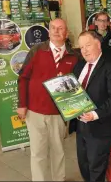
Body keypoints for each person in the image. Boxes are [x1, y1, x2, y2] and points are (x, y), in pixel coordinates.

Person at [17, 18, 79, 181]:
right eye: (53, 28)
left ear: (66, 33)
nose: (56, 31)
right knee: (38, 152)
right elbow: (23, 78)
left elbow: (78, 87)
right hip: (35, 111)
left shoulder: (73, 56)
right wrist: (22, 104)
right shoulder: (37, 51)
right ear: (49, 31)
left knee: (58, 151)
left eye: (60, 29)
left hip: (58, 113)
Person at [69, 31, 111, 182]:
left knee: (96, 169)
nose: (85, 50)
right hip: (81, 126)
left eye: (88, 45)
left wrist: (95, 114)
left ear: (98, 44)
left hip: (101, 127)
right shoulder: (79, 66)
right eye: (81, 47)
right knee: (84, 166)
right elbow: (74, 93)